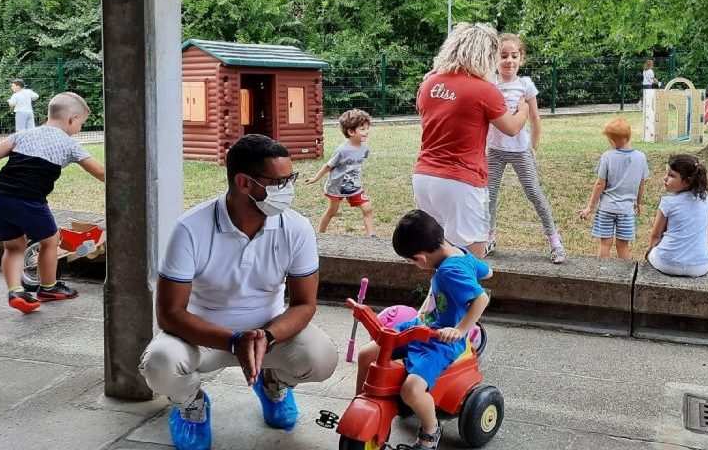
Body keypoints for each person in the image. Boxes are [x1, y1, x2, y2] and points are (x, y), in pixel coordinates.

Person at [138, 135, 338, 450]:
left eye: (291, 179)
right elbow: (170, 314)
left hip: (268, 334)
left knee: (322, 357)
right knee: (159, 364)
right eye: (279, 181)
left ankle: (272, 382)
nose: (288, 189)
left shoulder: (296, 228)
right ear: (244, 183)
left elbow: (304, 303)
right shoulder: (190, 229)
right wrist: (233, 340)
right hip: (202, 337)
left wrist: (267, 337)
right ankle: (191, 404)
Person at [354, 209, 492, 450]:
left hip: (440, 341)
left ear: (420, 258)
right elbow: (486, 271)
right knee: (367, 354)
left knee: (411, 389)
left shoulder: (451, 270)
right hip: (420, 327)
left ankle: (431, 430)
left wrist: (459, 330)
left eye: (410, 261)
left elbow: (481, 299)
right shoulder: (459, 251)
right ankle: (360, 403)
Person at [0, 92, 105, 313]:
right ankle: (48, 287)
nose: (80, 129)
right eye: (81, 124)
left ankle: (16, 291)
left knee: (13, 247)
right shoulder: (69, 144)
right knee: (51, 240)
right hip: (28, 201)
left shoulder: (23, 134)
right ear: (72, 119)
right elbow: (101, 172)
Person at [413, 22, 529, 258]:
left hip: (423, 177)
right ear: (487, 54)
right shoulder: (483, 89)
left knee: (436, 255)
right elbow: (511, 128)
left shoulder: (429, 83)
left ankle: (438, 295)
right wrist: (524, 110)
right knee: (472, 258)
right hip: (460, 181)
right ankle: (467, 296)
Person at [485, 33, 567, 264]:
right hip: (495, 151)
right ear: (495, 58)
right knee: (489, 195)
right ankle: (489, 237)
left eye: (514, 55)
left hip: (520, 150)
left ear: (522, 58)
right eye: (503, 56)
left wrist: (535, 147)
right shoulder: (490, 84)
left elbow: (534, 118)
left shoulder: (525, 85)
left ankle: (554, 240)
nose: (509, 61)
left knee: (534, 192)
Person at [580, 118, 650, 259]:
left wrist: (590, 207)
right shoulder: (641, 157)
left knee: (605, 243)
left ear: (612, 140)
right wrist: (638, 202)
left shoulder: (607, 157)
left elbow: (600, 184)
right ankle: (624, 275)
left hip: (606, 208)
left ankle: (602, 272)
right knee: (623, 245)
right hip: (626, 210)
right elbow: (641, 184)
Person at [305, 109, 376, 238]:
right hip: (337, 187)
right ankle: (319, 235)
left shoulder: (364, 148)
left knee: (367, 208)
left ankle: (372, 236)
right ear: (351, 132)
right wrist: (316, 178)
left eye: (367, 128)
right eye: (363, 129)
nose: (367, 131)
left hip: (355, 187)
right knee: (332, 212)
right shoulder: (342, 150)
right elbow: (328, 165)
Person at [645, 154, 708, 277]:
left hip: (667, 264)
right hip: (700, 266)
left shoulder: (668, 202)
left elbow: (656, 235)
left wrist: (649, 252)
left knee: (652, 254)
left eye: (671, 175)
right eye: (666, 173)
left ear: (688, 180)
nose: (665, 178)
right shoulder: (707, 199)